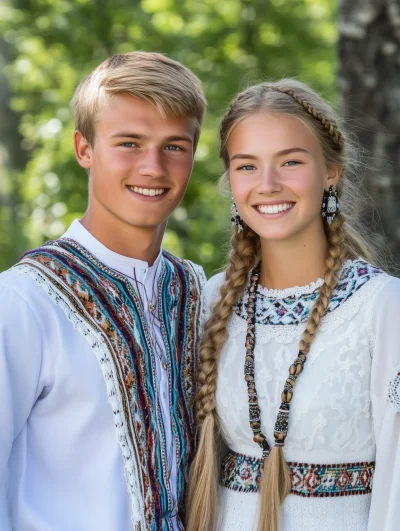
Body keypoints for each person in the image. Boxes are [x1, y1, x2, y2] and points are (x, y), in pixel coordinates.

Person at [0, 51, 207, 531]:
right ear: (84, 148)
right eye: (130, 143)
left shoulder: (198, 293)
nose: (153, 167)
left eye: (174, 146)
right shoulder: (24, 302)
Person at [187, 79, 400, 531]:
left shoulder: (382, 308)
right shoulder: (211, 300)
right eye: (247, 166)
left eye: (290, 161)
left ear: (330, 172)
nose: (268, 184)